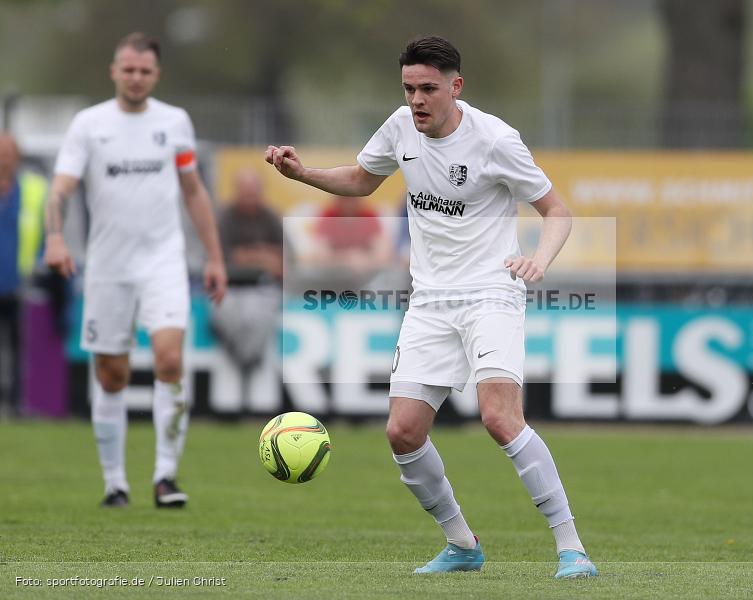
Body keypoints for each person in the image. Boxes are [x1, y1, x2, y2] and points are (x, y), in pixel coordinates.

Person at [266, 36, 596, 579]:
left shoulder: (495, 139)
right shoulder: (400, 128)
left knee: (498, 417)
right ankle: (463, 545)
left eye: (428, 89)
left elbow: (557, 210)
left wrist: (539, 259)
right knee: (403, 432)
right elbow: (360, 180)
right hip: (430, 299)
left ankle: (572, 549)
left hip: (492, 290)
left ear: (455, 86)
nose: (416, 100)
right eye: (409, 88)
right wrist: (302, 174)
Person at [44, 32, 227, 508]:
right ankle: (115, 482)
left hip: (163, 261)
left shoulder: (175, 123)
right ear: (114, 71)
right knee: (111, 376)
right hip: (107, 266)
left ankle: (166, 476)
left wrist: (214, 257)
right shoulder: (89, 124)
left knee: (170, 360)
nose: (136, 78)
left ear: (156, 74)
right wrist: (55, 236)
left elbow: (193, 191)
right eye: (128, 69)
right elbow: (61, 188)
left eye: (145, 71)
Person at [211, 168, 283, 398]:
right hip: (229, 287)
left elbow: (284, 263)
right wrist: (263, 256)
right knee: (228, 314)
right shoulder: (224, 218)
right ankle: (248, 359)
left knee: (259, 315)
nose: (250, 197)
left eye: (254, 192)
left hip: (263, 288)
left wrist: (249, 255)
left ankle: (245, 360)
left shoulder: (271, 218)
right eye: (245, 192)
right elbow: (224, 260)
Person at [0, 133, 48, 418]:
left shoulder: (34, 189)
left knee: (19, 348)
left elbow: (46, 234)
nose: (4, 158)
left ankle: (16, 405)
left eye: (8, 152)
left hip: (18, 283)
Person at [309, 194, 393, 282]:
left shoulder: (369, 215)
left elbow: (384, 254)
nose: (348, 202)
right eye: (344, 197)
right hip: (333, 278)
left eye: (353, 197)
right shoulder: (327, 215)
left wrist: (364, 260)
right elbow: (318, 254)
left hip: (365, 278)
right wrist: (346, 259)